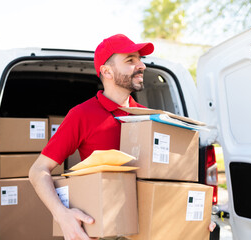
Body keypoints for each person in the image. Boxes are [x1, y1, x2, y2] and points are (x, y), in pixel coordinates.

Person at [29, 34, 216, 240]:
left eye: (140, 59)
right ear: (107, 71)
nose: (141, 65)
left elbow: (171, 182)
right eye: (130, 60)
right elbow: (38, 171)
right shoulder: (82, 114)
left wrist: (194, 218)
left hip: (150, 229)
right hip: (104, 230)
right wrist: (62, 215)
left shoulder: (150, 118)